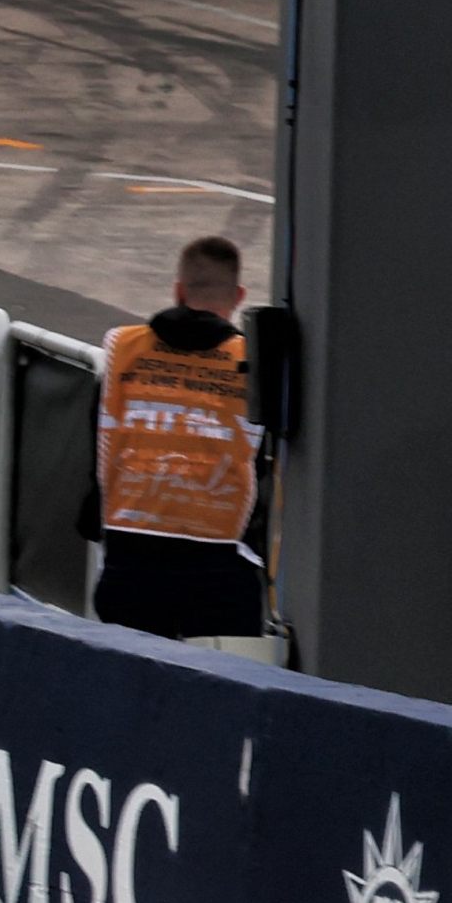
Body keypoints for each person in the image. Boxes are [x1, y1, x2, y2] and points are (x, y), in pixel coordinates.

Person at [79, 235, 268, 641]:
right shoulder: (253, 365)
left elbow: (97, 446)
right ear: (238, 295)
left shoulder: (123, 350)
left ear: (179, 290)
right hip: (221, 571)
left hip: (129, 565)